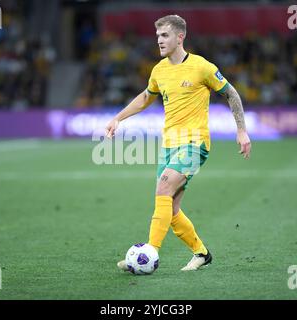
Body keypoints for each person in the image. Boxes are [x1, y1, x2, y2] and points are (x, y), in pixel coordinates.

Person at [105, 15, 251, 271]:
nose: (159, 40)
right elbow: (145, 97)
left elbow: (231, 93)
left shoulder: (201, 66)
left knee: (163, 187)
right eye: (158, 35)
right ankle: (202, 253)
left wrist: (242, 131)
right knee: (170, 210)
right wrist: (118, 118)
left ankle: (148, 254)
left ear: (180, 37)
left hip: (195, 144)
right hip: (169, 145)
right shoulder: (159, 70)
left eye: (165, 35)